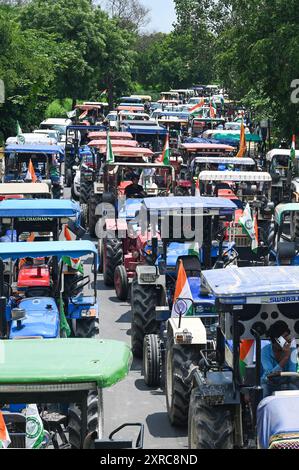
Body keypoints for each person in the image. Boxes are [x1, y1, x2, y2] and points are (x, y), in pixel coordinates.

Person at [261, 322, 298, 398]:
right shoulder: (265, 351)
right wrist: (285, 358)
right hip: (269, 384)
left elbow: (292, 375)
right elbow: (269, 375)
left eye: (288, 335)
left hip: (286, 384)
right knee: (264, 390)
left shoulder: (293, 351)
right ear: (277, 340)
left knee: (293, 388)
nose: (289, 338)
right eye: (286, 336)